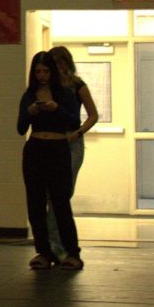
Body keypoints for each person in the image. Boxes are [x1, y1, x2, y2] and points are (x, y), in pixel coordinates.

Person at [18, 51, 84, 270]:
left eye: (46, 71)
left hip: (58, 148)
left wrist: (56, 109)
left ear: (52, 72)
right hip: (35, 148)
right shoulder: (29, 94)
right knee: (35, 203)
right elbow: (20, 128)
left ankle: (72, 251)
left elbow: (74, 121)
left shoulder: (64, 93)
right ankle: (43, 252)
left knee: (60, 201)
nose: (42, 76)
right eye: (38, 71)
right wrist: (30, 112)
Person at [47, 46, 98, 260]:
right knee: (51, 194)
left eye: (61, 63)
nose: (58, 68)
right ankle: (53, 243)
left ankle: (59, 242)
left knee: (63, 193)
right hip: (52, 141)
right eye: (54, 64)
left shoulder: (77, 85)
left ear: (67, 64)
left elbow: (92, 115)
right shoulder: (46, 86)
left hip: (71, 141)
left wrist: (78, 133)